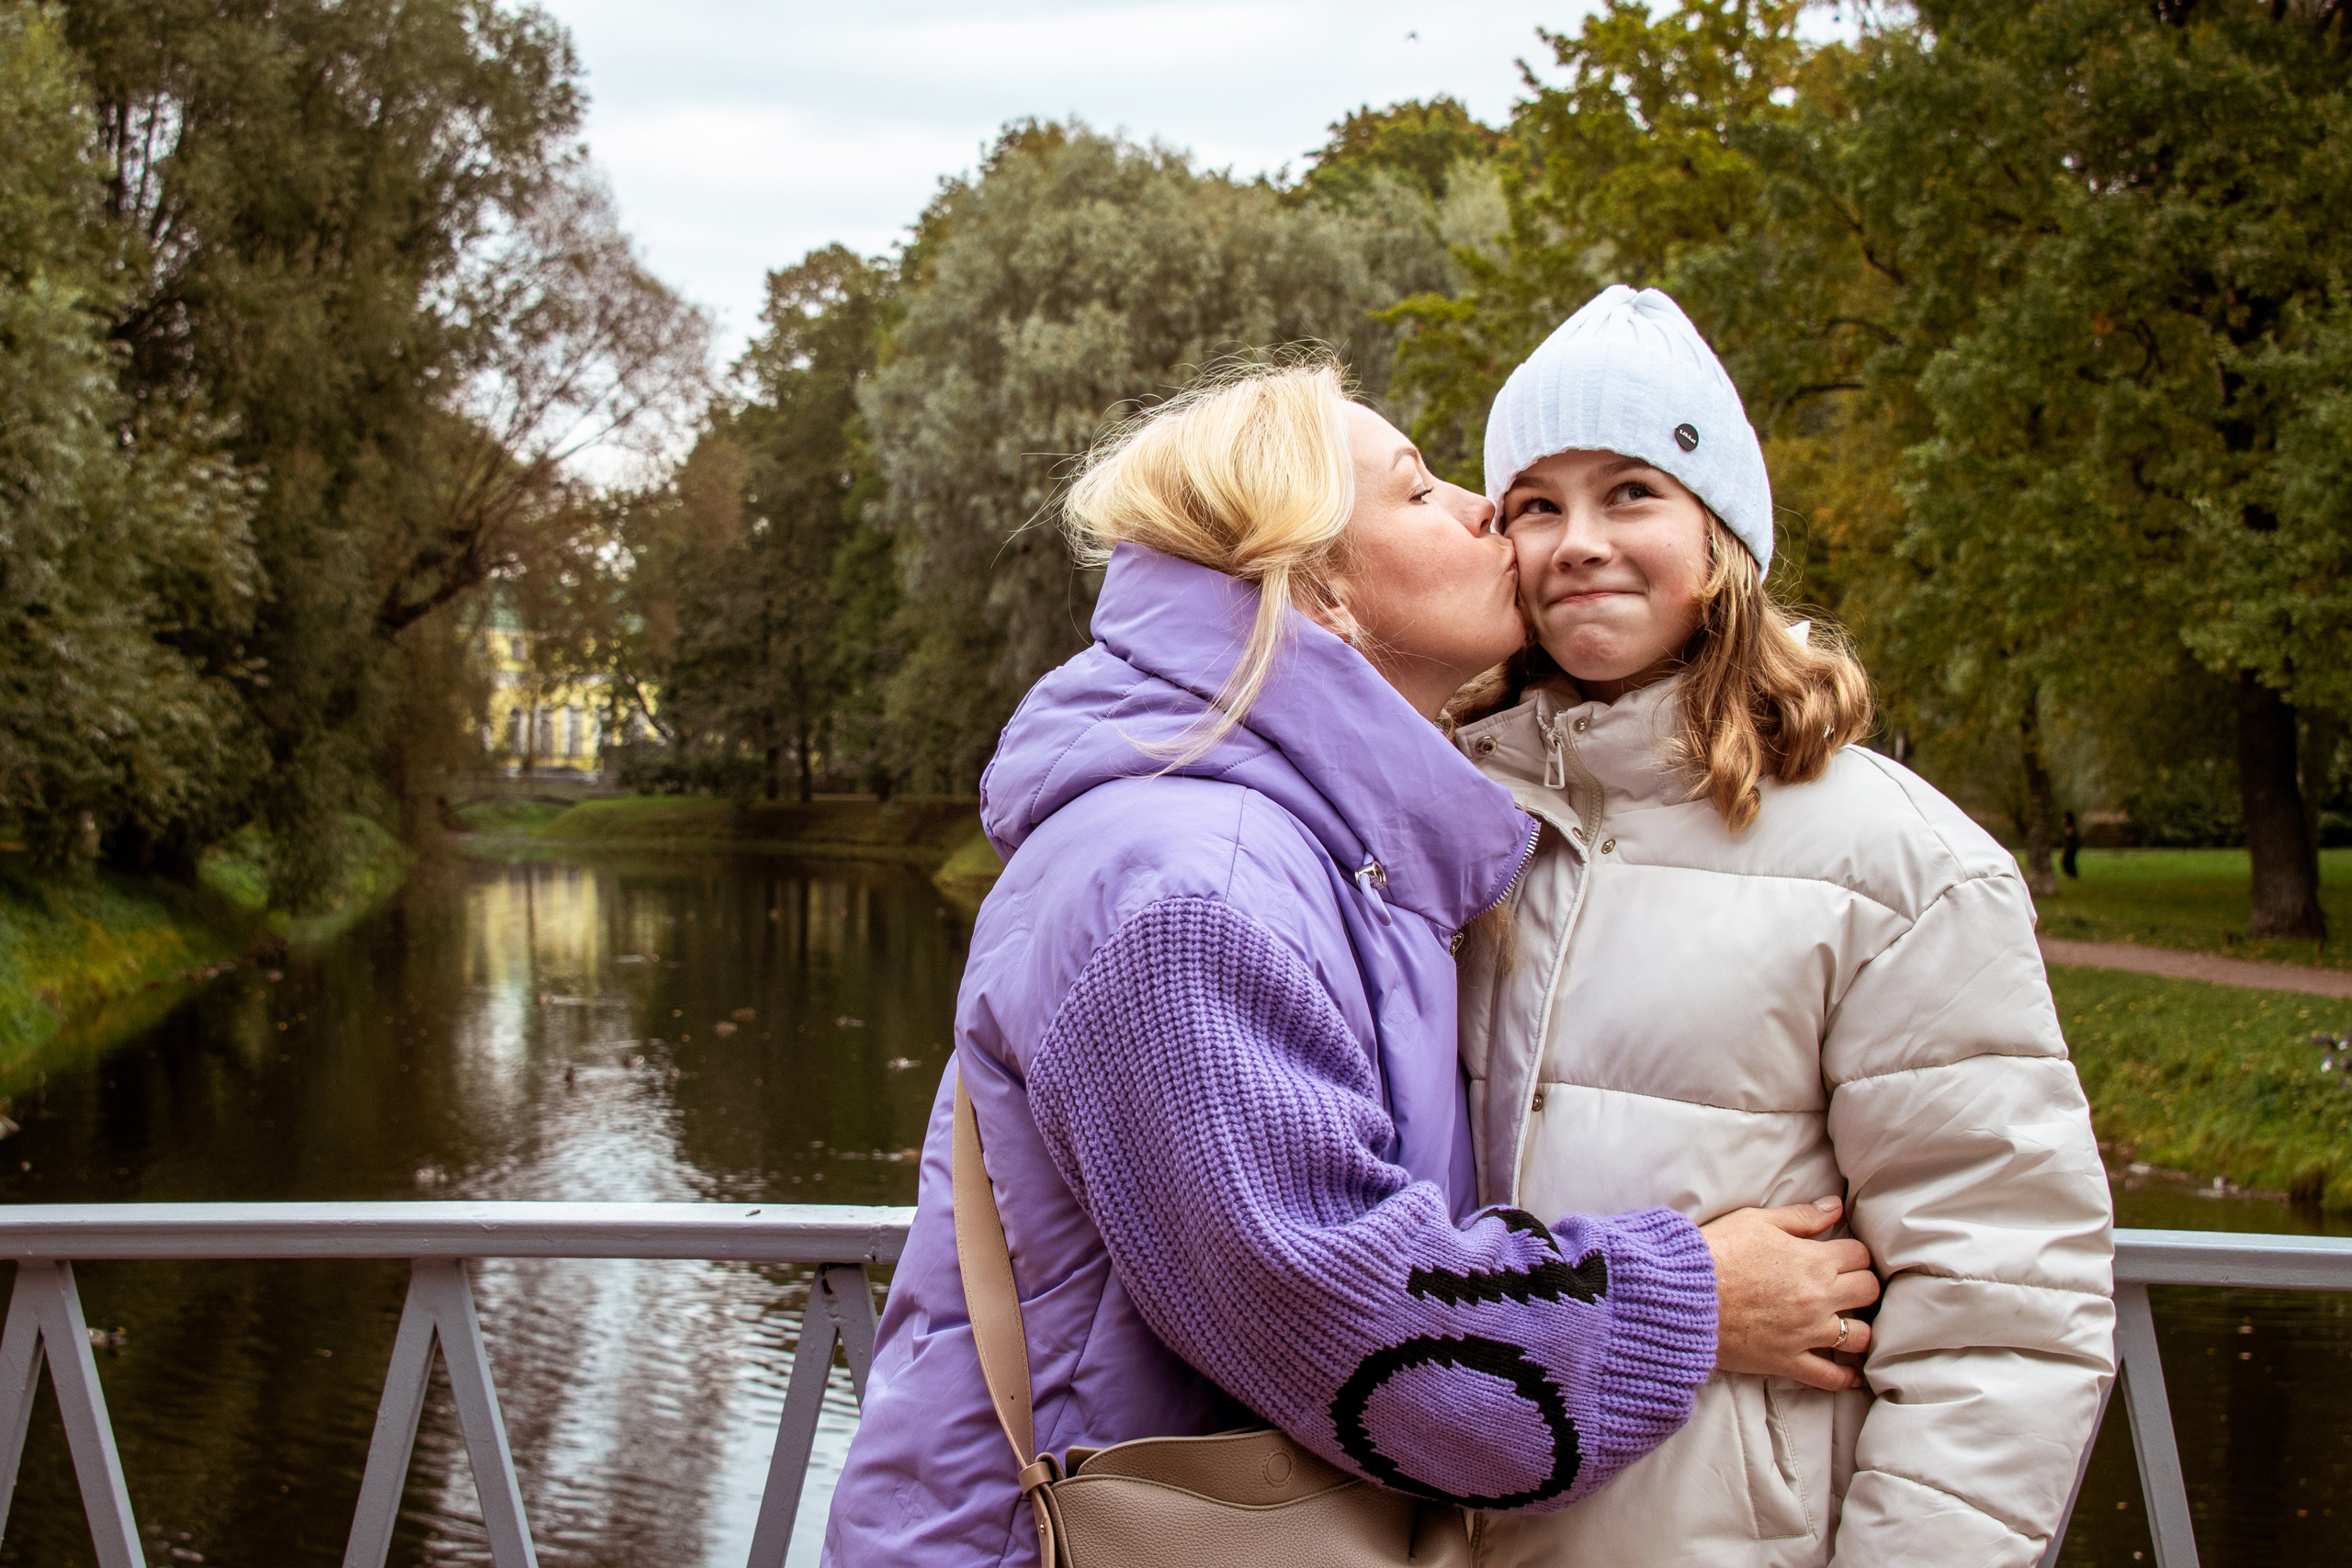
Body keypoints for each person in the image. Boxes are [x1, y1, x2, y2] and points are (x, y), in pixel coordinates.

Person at [823, 361, 1881, 1565]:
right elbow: (1341, 1310)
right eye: (1420, 490)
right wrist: (1692, 1301)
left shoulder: (1298, 847)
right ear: (1320, 588)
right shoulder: (1193, 889)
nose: (1490, 508)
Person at [1450, 287, 2116, 1567]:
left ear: (1722, 539)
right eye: (1538, 503)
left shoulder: (1901, 866)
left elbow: (2004, 1306)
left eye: (1631, 491)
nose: (1579, 540)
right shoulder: (1446, 821)